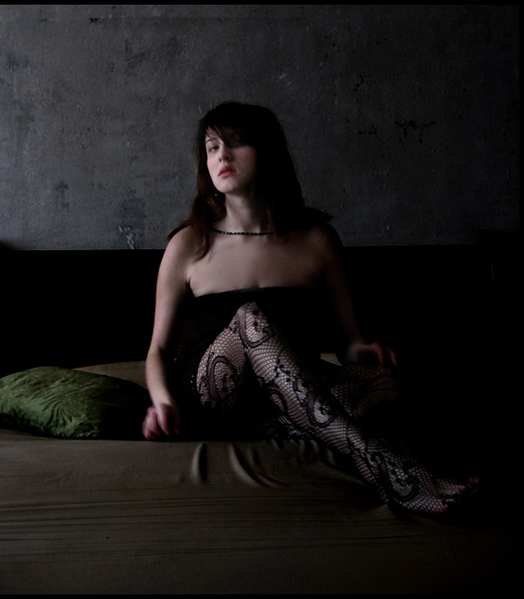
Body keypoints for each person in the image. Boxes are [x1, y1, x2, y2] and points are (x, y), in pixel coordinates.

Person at [142, 101, 478, 515]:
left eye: (237, 142)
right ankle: (384, 465)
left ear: (268, 152)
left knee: (387, 386)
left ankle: (279, 424)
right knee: (251, 316)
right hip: (213, 391)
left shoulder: (317, 240)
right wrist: (163, 401)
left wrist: (362, 350)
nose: (222, 156)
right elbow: (159, 350)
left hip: (290, 389)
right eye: (212, 148)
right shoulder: (189, 244)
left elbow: (347, 338)